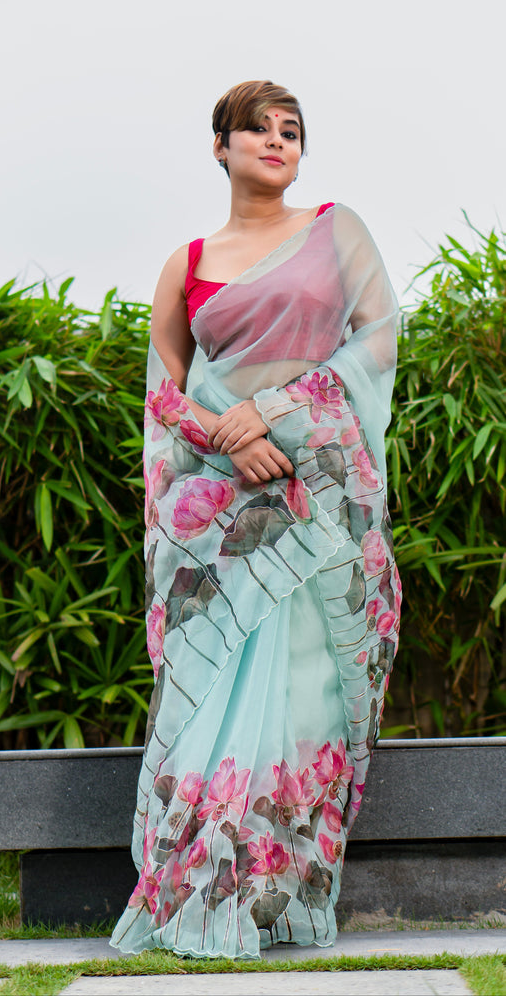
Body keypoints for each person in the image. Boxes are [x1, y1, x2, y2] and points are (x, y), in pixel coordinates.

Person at [110, 79, 401, 959]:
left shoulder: (334, 230)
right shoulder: (187, 260)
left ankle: (277, 896)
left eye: (292, 132)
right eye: (259, 130)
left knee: (305, 687)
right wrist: (227, 439)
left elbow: (377, 336)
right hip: (219, 505)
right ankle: (198, 893)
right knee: (210, 701)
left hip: (311, 493)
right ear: (220, 146)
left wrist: (275, 411)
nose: (278, 144)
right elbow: (164, 391)